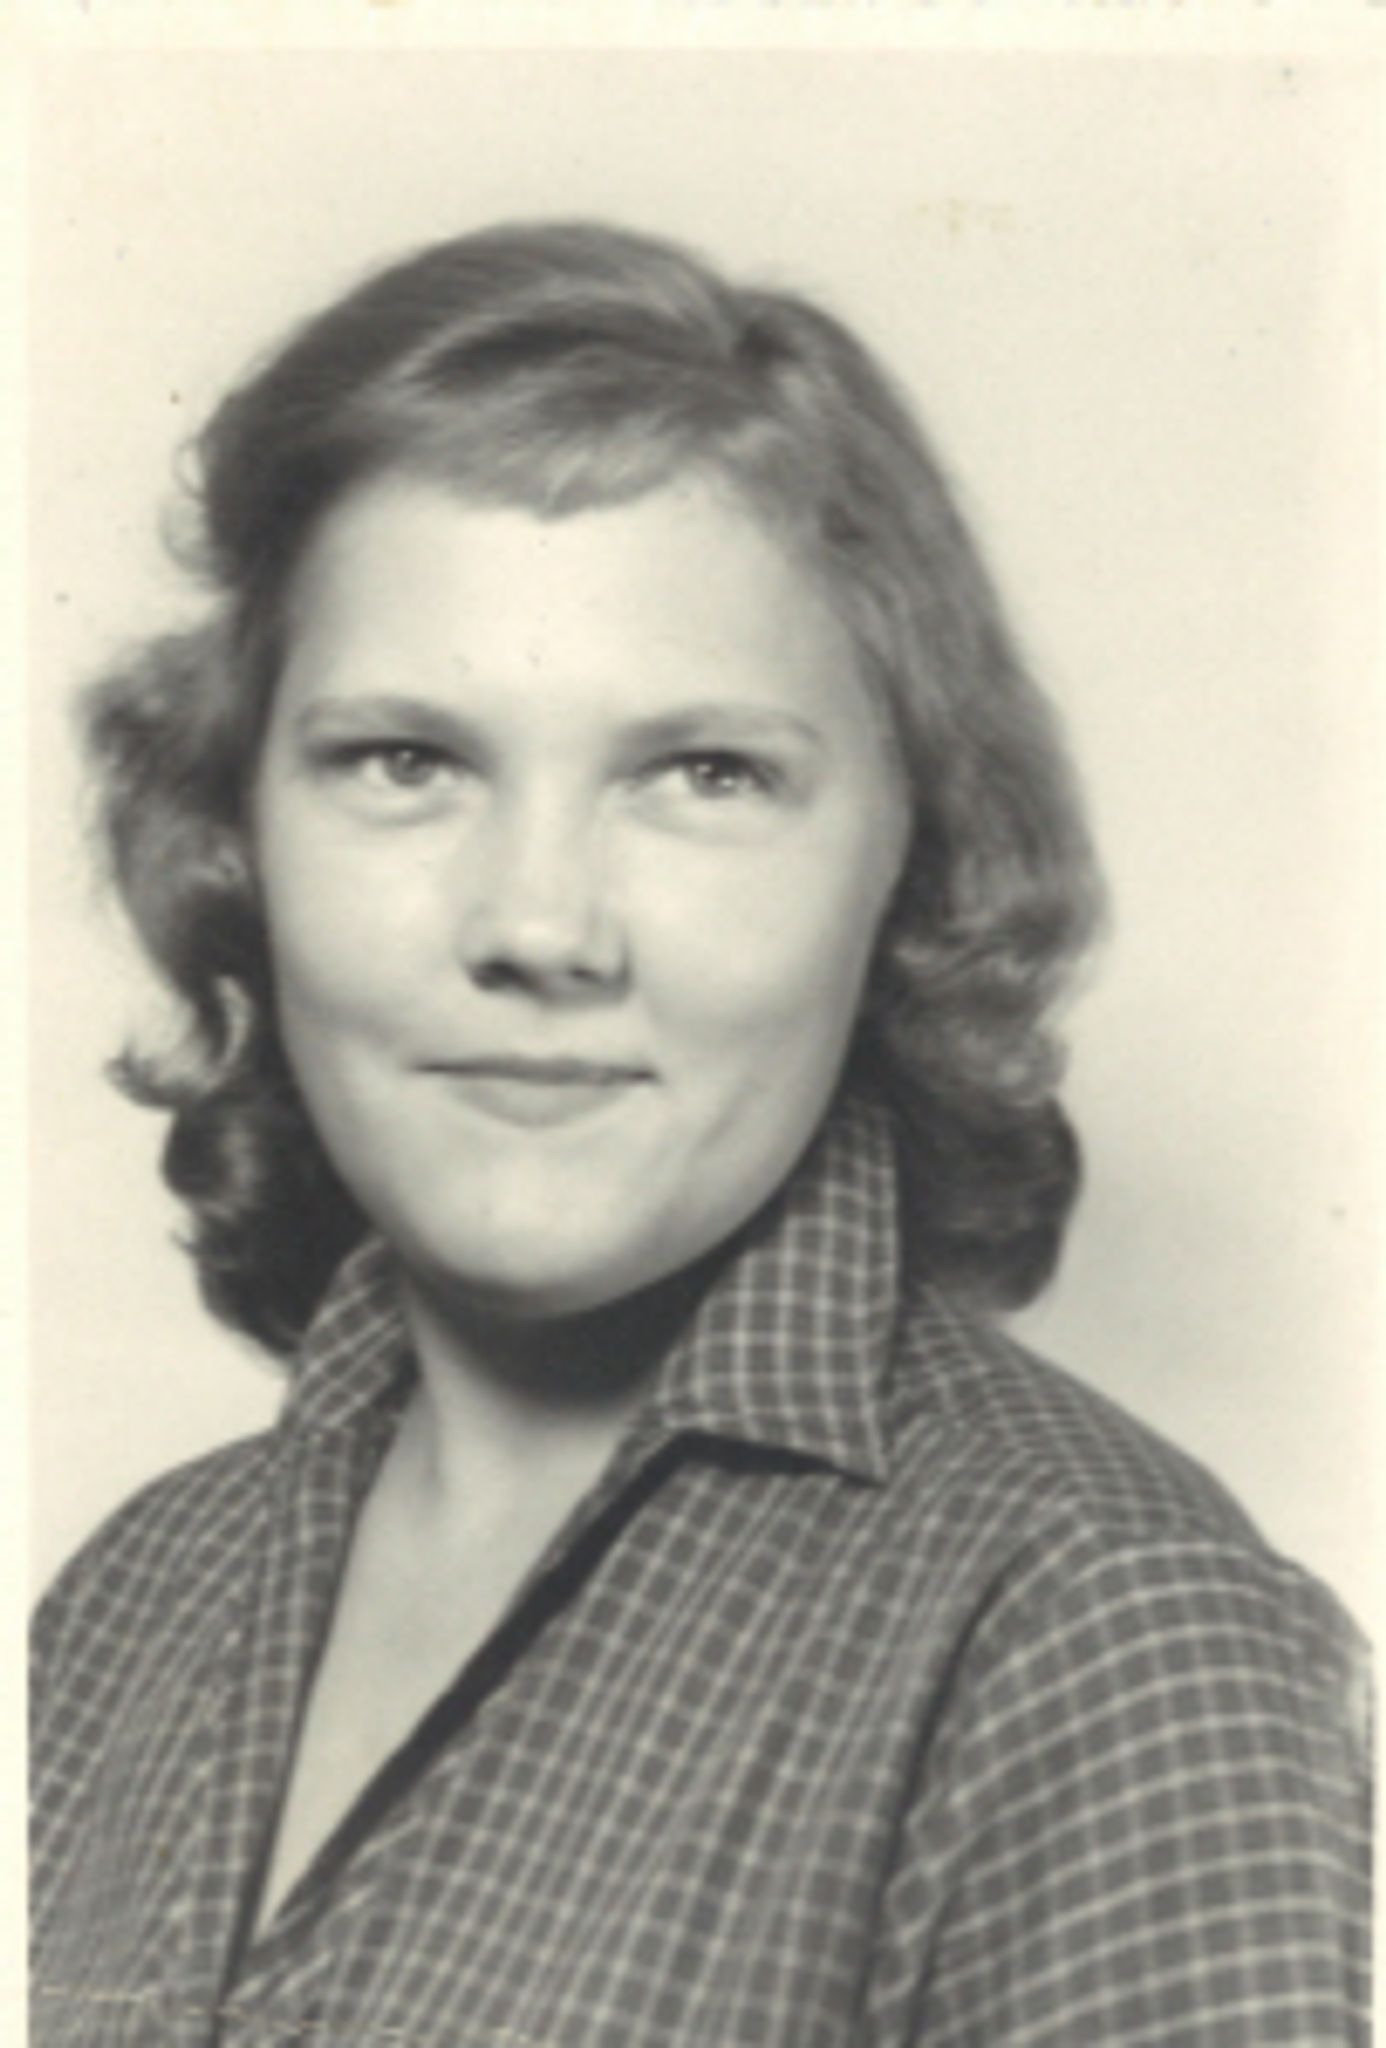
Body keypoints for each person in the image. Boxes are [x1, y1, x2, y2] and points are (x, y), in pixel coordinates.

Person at [31, 220, 1368, 2047]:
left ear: (909, 863)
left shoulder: (1108, 1634)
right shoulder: (128, 1603)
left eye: (703, 775)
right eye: (404, 760)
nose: (539, 926)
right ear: (235, 836)